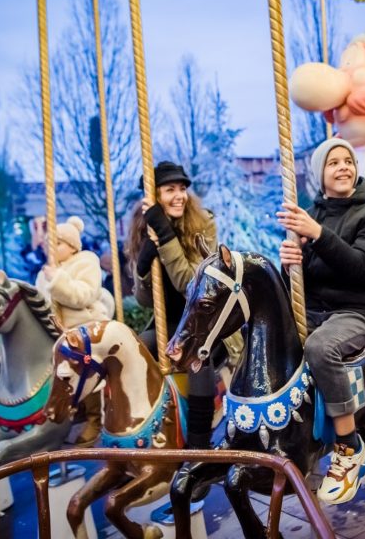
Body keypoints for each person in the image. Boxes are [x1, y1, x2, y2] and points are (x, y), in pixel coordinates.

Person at [277, 138, 365, 505]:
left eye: (348, 161)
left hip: (357, 309)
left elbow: (359, 266)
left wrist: (318, 235)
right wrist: (289, 265)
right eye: (333, 163)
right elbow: (302, 284)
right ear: (320, 175)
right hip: (316, 309)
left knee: (320, 347)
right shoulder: (311, 217)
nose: (343, 167)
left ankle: (349, 445)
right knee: (269, 339)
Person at [126, 161, 240, 451]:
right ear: (152, 197)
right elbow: (143, 301)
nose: (179, 195)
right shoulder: (144, 231)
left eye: (182, 189)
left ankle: (199, 448)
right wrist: (142, 266)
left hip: (207, 322)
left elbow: (193, 286)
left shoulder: (203, 227)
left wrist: (166, 238)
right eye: (169, 190)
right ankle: (144, 425)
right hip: (170, 323)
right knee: (133, 350)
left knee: (195, 357)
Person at [36, 216, 113, 445]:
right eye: (50, 244)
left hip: (85, 328)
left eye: (58, 244)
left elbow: (84, 296)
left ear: (72, 247)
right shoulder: (47, 271)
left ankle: (95, 419)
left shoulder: (86, 262)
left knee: (87, 368)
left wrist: (57, 280)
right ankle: (69, 412)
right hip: (58, 332)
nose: (52, 249)